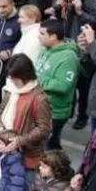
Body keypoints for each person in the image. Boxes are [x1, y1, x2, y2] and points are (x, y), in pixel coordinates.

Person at [0, 54, 51, 188]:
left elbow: (43, 129)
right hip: (6, 149)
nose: (12, 80)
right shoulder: (10, 91)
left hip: (28, 157)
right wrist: (1, 131)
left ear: (25, 75)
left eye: (15, 77)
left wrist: (19, 141)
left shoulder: (39, 98)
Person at [35, 19, 80, 150]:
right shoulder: (45, 49)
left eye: (42, 34)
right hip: (41, 106)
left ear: (53, 36)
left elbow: (63, 86)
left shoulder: (68, 57)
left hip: (55, 111)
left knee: (49, 146)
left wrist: (36, 79)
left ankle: (53, 167)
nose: (39, 36)